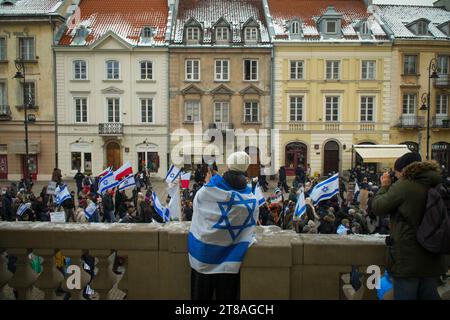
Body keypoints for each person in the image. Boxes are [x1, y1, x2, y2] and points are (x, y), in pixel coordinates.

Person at [371, 152, 447, 300]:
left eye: (396, 172)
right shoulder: (437, 182)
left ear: (403, 170)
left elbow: (378, 207)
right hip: (433, 254)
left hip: (408, 258)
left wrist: (384, 187)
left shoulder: (405, 185)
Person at [189, 151, 258, 300]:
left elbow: (199, 212)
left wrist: (207, 186)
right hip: (230, 263)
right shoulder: (252, 199)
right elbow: (248, 229)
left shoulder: (206, 192)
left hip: (204, 257)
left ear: (228, 166)